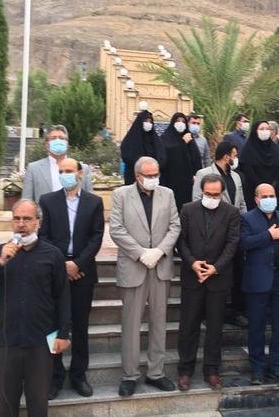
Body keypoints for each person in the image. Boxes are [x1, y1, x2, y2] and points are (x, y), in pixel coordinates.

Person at [0, 199, 70, 417]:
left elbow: (62, 296)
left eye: (27, 219)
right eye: (16, 219)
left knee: (38, 403)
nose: (21, 224)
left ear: (39, 222)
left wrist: (63, 333)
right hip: (6, 342)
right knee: (6, 405)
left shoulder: (53, 255)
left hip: (40, 342)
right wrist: (0, 263)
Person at [109, 157, 181, 396]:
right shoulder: (121, 195)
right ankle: (129, 375)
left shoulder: (167, 194)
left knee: (159, 322)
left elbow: (175, 226)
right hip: (134, 266)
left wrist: (160, 251)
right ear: (137, 176)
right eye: (148, 175)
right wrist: (141, 254)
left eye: (156, 174)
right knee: (131, 323)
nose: (153, 179)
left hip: (160, 266)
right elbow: (116, 229)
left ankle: (156, 373)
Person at [39, 158, 105, 400]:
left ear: (80, 174)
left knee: (80, 325)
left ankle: (78, 375)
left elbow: (96, 237)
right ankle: (55, 376)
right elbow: (44, 236)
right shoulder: (47, 201)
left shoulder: (94, 202)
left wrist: (78, 264)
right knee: (54, 325)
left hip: (83, 272)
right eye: (61, 171)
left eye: (69, 170)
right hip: (55, 271)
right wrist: (62, 266)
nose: (64, 174)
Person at [176, 174, 240, 391]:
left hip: (218, 278)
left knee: (215, 327)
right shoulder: (188, 209)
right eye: (208, 194)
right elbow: (181, 241)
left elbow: (232, 244)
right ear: (201, 192)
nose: (211, 198)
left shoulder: (231, 212)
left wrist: (215, 268)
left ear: (222, 194)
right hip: (192, 275)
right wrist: (193, 263)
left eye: (216, 195)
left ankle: (212, 370)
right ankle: (185, 371)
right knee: (188, 326)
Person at [239, 183, 279, 385]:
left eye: (272, 195)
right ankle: (257, 369)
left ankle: (276, 367)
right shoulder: (246, 218)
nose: (269, 199)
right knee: (256, 327)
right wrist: (268, 235)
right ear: (256, 200)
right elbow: (243, 243)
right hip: (257, 280)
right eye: (264, 196)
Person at [192, 141, 248, 327]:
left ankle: (237, 311)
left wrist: (244, 224)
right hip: (213, 232)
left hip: (234, 230)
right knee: (212, 271)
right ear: (226, 157)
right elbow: (197, 201)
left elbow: (241, 203)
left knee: (237, 271)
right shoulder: (204, 174)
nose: (236, 159)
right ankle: (207, 314)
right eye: (234, 155)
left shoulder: (236, 177)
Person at [22, 124, 93, 202]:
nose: (58, 141)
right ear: (46, 144)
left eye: (61, 138)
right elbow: (26, 201)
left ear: (67, 143)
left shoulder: (83, 169)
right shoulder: (34, 169)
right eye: (53, 138)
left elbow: (90, 200)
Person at [239, 120, 279, 211]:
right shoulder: (248, 150)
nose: (265, 131)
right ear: (255, 131)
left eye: (267, 129)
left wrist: (272, 186)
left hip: (274, 191)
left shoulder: (274, 148)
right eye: (262, 129)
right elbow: (248, 171)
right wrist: (261, 187)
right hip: (253, 191)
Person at [160, 112, 202, 213]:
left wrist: (196, 174)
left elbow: (196, 159)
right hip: (172, 181)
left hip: (188, 183)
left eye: (183, 121)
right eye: (178, 121)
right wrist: (182, 143)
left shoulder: (190, 139)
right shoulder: (165, 138)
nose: (181, 124)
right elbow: (167, 155)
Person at [120, 110, 167, 186]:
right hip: (134, 176)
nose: (148, 124)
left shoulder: (155, 140)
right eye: (145, 121)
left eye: (150, 122)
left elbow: (162, 157)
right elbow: (127, 156)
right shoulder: (131, 139)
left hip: (153, 176)